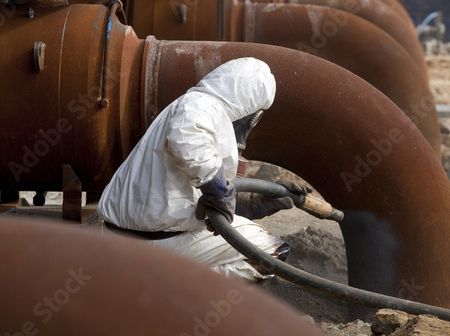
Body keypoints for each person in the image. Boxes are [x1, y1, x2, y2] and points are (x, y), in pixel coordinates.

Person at [98, 57, 311, 281]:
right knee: (270, 252)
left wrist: (256, 202)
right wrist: (219, 189)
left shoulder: (197, 110)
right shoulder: (200, 106)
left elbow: (204, 201)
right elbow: (186, 141)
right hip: (154, 239)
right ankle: (166, 288)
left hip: (133, 234)